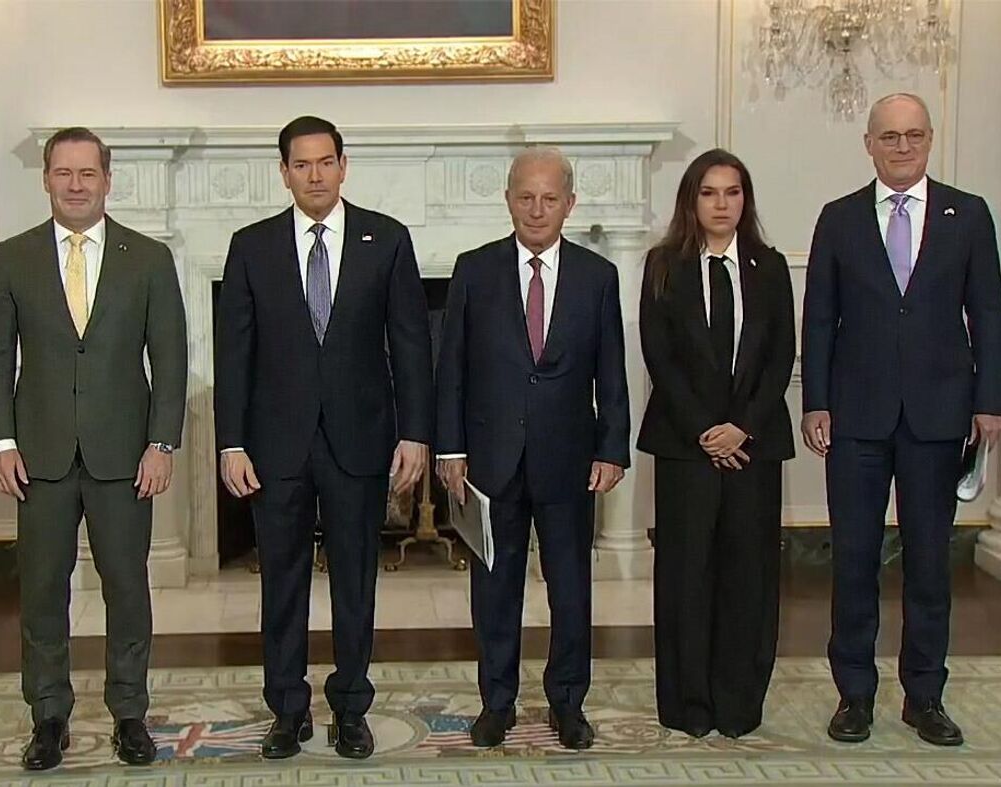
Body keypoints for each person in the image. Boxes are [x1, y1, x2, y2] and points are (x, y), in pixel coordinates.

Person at [214, 115, 434, 760]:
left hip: (359, 440)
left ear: (344, 166)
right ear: (284, 172)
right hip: (274, 447)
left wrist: (415, 434)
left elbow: (411, 344)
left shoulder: (386, 240)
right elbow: (234, 354)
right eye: (302, 164)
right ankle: (287, 709)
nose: (316, 175)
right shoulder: (251, 246)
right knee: (280, 583)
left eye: (326, 162)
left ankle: (351, 707)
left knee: (356, 581)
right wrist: (231, 443)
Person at [0, 126, 188, 770]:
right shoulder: (11, 258)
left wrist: (161, 443)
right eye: (63, 173)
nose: (75, 185)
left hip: (125, 457)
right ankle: (48, 716)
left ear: (107, 180)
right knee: (43, 590)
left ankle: (129, 713)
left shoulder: (148, 258)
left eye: (87, 173)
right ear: (45, 179)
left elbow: (170, 359)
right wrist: (0, 442)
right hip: (37, 457)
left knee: (127, 587)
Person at [801, 93, 1001, 747]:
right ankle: (854, 696)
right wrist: (815, 401)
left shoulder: (967, 214)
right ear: (869, 143)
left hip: (938, 415)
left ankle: (924, 697)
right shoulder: (838, 218)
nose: (902, 147)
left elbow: (989, 312)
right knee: (854, 560)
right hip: (856, 416)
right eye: (889, 136)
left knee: (928, 564)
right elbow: (819, 318)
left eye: (913, 135)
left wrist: (991, 400)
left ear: (930, 140)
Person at [434, 147, 630, 750]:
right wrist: (449, 449)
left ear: (570, 204)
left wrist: (612, 449)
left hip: (570, 459)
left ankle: (568, 702)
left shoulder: (598, 276)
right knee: (495, 588)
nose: (537, 210)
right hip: (490, 459)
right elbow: (452, 368)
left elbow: (612, 372)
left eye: (549, 199)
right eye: (526, 197)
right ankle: (497, 703)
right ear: (508, 200)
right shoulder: (474, 269)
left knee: (570, 588)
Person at [637, 148, 795, 739]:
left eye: (732, 192)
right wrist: (706, 429)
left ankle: (738, 704)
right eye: (709, 193)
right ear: (692, 200)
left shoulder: (770, 267)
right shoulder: (664, 266)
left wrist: (741, 426)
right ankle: (688, 705)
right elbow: (660, 356)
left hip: (754, 446)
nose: (721, 204)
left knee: (747, 575)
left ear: (745, 200)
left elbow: (780, 356)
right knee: (687, 574)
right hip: (687, 446)